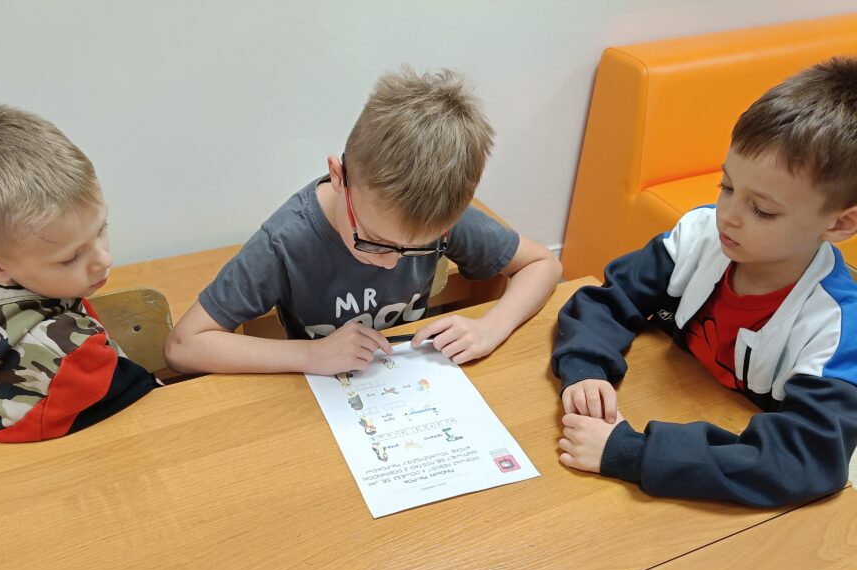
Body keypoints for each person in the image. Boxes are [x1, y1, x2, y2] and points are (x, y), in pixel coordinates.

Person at [552, 57, 857, 506]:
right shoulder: (699, 236)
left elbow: (801, 461)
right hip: (685, 407)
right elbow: (606, 301)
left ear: (839, 224)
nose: (727, 216)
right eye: (726, 187)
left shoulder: (837, 330)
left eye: (762, 210)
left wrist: (633, 454)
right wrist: (585, 368)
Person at [165, 67, 561, 376]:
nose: (390, 263)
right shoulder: (287, 240)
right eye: (373, 240)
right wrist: (310, 354)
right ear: (339, 177)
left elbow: (543, 263)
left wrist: (491, 327)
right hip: (319, 393)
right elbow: (184, 346)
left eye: (416, 249)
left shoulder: (433, 211)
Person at [0, 105, 157, 442]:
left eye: (101, 228)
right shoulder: (68, 350)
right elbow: (150, 404)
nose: (103, 259)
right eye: (69, 258)